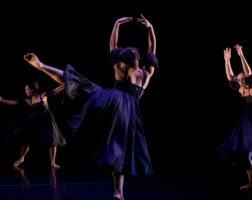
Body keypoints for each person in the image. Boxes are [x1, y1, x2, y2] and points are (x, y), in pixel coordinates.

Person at [23, 14, 158, 200]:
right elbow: (151, 49)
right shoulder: (145, 73)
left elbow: (113, 45)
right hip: (127, 112)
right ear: (137, 58)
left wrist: (117, 24)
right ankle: (118, 192)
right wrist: (150, 29)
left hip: (112, 102)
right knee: (119, 148)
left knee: (80, 85)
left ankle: (119, 192)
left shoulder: (122, 67)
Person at [216, 44, 252, 191]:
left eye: (243, 79)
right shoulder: (241, 88)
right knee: (244, 154)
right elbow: (230, 77)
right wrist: (227, 61)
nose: (240, 81)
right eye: (240, 79)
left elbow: (248, 73)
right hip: (247, 124)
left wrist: (241, 55)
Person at [0, 81, 66, 169]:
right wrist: (2, 100)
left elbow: (55, 90)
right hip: (35, 121)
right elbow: (16, 103)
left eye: (27, 89)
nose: (26, 91)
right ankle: (21, 158)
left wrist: (65, 84)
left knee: (53, 140)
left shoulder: (42, 96)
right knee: (26, 140)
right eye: (25, 90)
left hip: (47, 121)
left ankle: (53, 162)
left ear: (33, 89)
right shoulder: (27, 100)